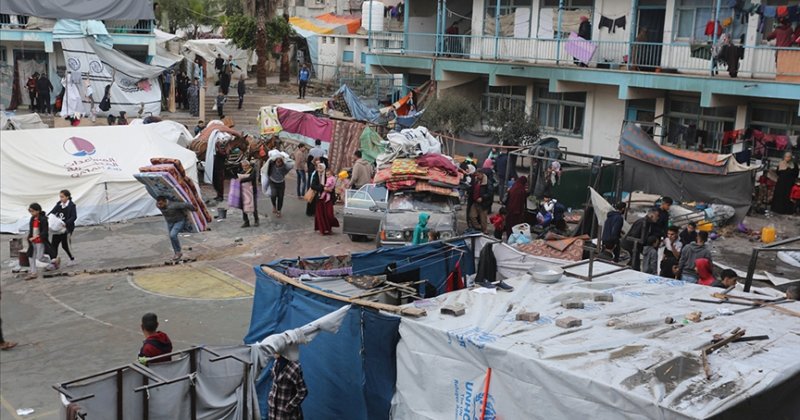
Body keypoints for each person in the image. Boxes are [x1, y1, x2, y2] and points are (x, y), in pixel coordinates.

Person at [268, 355, 308, 420]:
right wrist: (270, 397)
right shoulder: (276, 362)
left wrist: (289, 407)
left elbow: (303, 391)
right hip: (273, 414)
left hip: (288, 416)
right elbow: (275, 384)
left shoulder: (294, 367)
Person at [48, 189, 77, 266]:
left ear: (67, 197)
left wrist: (66, 223)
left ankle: (72, 258)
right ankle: (53, 261)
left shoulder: (71, 205)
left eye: (62, 197)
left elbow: (74, 217)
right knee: (54, 244)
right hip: (58, 228)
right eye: (60, 197)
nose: (61, 199)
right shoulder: (59, 204)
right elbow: (52, 212)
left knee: (65, 245)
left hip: (66, 228)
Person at [315, 164, 339, 235]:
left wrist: (330, 190)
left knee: (329, 214)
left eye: (321, 167)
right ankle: (322, 230)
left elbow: (332, 186)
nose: (319, 169)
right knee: (321, 215)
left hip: (328, 198)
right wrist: (323, 188)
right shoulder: (316, 175)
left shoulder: (329, 177)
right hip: (320, 198)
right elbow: (313, 185)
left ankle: (329, 228)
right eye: (318, 167)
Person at [237, 160, 259, 227]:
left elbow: (251, 178)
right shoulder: (242, 172)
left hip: (252, 191)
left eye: (246, 166)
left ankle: (256, 220)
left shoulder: (253, 171)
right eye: (243, 166)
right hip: (244, 192)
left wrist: (241, 180)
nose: (244, 167)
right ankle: (246, 221)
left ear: (248, 165)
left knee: (254, 207)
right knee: (243, 207)